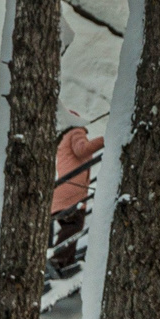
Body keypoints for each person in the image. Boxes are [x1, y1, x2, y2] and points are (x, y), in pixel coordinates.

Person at [50, 111, 106, 281]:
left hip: (62, 191)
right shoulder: (76, 132)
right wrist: (106, 139)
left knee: (70, 224)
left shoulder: (63, 139)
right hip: (71, 190)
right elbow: (82, 150)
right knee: (74, 224)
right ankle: (60, 259)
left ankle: (66, 259)